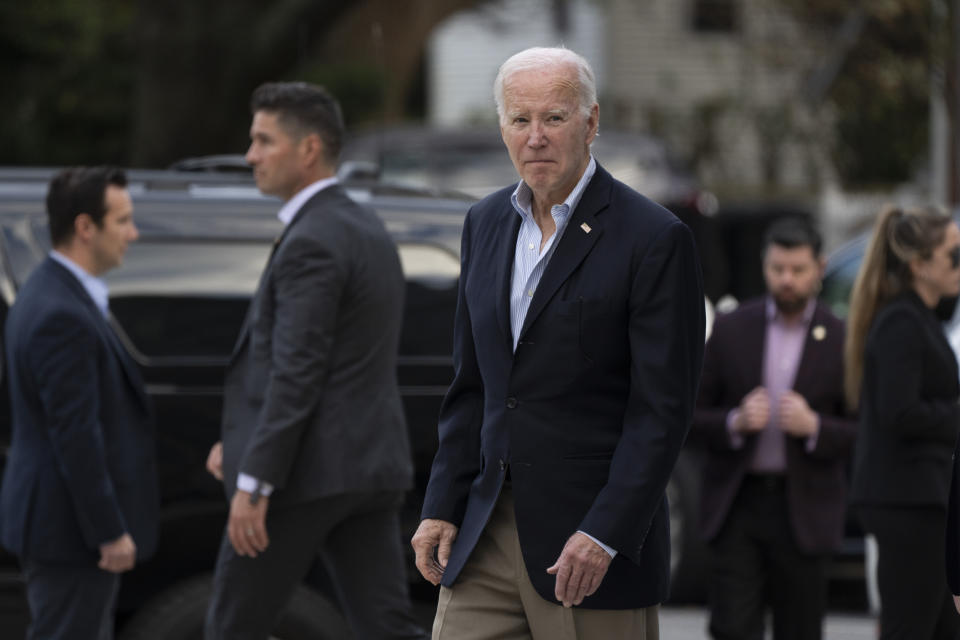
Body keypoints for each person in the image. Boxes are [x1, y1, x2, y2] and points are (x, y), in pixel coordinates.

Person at [410, 46, 704, 639]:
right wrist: (441, 503)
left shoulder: (655, 237)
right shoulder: (485, 223)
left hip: (588, 547)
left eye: (554, 118)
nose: (536, 137)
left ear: (591, 122)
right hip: (485, 525)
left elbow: (661, 411)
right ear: (502, 129)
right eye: (520, 121)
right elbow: (472, 386)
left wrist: (605, 534)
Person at [203, 82, 425, 640]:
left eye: (262, 140)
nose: (250, 154)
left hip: (304, 476)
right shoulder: (365, 226)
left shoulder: (313, 240)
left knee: (233, 627)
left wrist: (255, 481)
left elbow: (298, 371)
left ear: (307, 150)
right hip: (368, 467)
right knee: (388, 629)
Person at [0, 167, 156, 639]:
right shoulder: (61, 314)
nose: (134, 233)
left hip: (58, 524)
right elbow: (75, 436)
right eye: (123, 221)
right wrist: (107, 531)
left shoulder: (52, 292)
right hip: (68, 530)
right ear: (86, 228)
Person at [690, 218, 856, 640]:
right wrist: (734, 421)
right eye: (777, 268)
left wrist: (815, 426)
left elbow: (863, 430)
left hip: (805, 507)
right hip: (738, 503)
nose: (786, 280)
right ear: (764, 266)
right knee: (732, 626)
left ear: (819, 268)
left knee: (800, 628)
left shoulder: (841, 339)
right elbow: (690, 416)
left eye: (797, 270)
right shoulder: (731, 328)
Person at [847, 205, 960, 639]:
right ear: (919, 264)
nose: (957, 264)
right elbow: (900, 412)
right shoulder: (900, 321)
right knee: (909, 625)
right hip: (908, 504)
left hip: (926, 500)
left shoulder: (920, 317)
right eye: (952, 254)